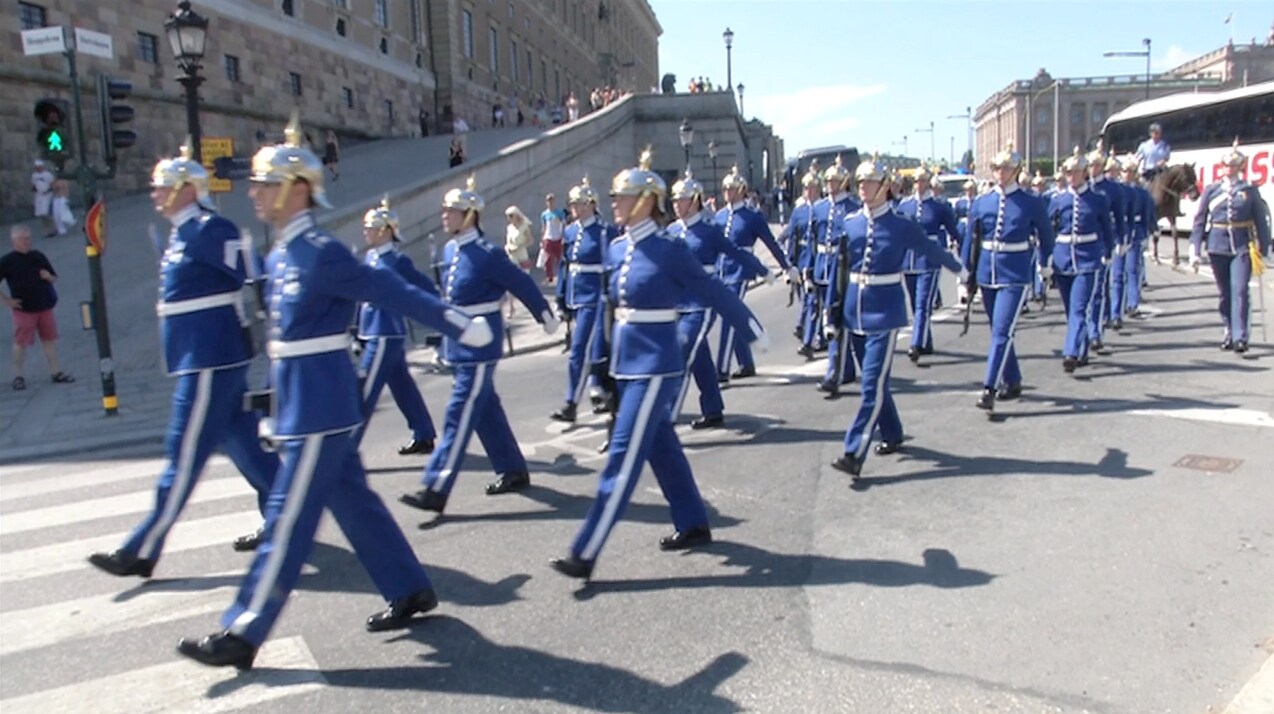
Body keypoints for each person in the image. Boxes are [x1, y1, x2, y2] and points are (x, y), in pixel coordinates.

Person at [175, 115, 494, 669]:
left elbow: (389, 289)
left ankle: (244, 629)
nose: (254, 193)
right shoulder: (279, 254)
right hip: (306, 405)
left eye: (265, 184)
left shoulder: (323, 251)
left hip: (322, 409)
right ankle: (408, 585)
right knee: (353, 500)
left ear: (297, 190)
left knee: (287, 520)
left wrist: (459, 323)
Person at [549, 148, 768, 581]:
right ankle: (692, 521)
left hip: (656, 364)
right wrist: (604, 369)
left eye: (622, 196)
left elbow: (709, 288)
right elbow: (613, 310)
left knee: (623, 457)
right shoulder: (615, 248)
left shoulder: (669, 248)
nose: (614, 203)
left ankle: (585, 551)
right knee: (662, 449)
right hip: (628, 366)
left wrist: (750, 326)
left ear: (647, 200)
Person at [87, 140, 278, 579]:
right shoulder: (184, 233)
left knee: (183, 453)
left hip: (212, 357)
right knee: (245, 443)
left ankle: (142, 547)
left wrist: (280, 336)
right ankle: (287, 515)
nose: (154, 194)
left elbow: (257, 272)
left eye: (161, 187)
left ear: (186, 190)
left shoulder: (210, 230)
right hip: (202, 357)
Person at [399, 176, 557, 516]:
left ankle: (435, 487)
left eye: (451, 211)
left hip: (482, 344)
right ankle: (512, 468)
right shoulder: (450, 249)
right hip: (459, 343)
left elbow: (521, 283)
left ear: (469, 214)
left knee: (459, 413)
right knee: (485, 409)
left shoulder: (488, 253)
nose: (444, 215)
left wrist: (545, 314)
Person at [826, 156, 965, 480]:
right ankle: (892, 432)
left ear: (885, 186)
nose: (862, 187)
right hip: (854, 311)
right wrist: (830, 313)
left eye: (869, 182)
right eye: (859, 182)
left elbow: (933, 251)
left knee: (871, 386)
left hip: (885, 312)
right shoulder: (849, 223)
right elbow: (840, 270)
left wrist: (961, 270)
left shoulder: (901, 224)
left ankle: (853, 452)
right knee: (875, 384)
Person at [667, 168, 769, 429]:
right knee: (698, 356)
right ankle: (713, 408)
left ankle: (665, 416)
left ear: (696, 201)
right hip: (676, 302)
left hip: (702, 301)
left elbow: (735, 252)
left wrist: (763, 269)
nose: (677, 205)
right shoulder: (670, 230)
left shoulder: (709, 229)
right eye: (674, 200)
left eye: (682, 200)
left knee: (683, 347)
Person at [963, 144, 1054, 413]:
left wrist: (1044, 265)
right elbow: (972, 238)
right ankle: (1012, 380)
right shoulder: (983, 201)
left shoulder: (1030, 202)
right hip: (987, 272)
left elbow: (1045, 236)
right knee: (998, 330)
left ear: (1016, 170)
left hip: (1015, 272)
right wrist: (965, 273)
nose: (1000, 173)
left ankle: (989, 387)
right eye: (996, 168)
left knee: (1002, 331)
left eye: (1005, 168)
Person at [357, 197, 442, 457]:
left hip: (385, 332)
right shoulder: (371, 256)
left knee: (363, 391)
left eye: (370, 228)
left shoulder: (397, 260)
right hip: (373, 329)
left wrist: (442, 304)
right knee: (403, 387)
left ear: (384, 231)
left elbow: (422, 285)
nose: (365, 232)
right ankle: (423, 433)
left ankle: (344, 448)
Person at [1189, 140, 1272, 353]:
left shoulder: (1249, 191)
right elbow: (1200, 220)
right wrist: (1194, 249)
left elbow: (1260, 220)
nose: (1230, 169)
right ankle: (1228, 329)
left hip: (1242, 245)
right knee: (1225, 293)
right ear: (1221, 167)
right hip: (1217, 245)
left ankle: (1241, 336)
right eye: (1227, 166)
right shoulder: (1212, 191)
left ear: (1240, 168)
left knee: (1240, 290)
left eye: (1234, 166)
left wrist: (1265, 247)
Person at [715, 165, 795, 382]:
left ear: (742, 190)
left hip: (741, 271)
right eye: (725, 189)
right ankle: (746, 363)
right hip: (722, 271)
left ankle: (721, 369)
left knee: (728, 318)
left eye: (731, 189)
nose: (727, 193)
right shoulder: (720, 216)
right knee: (733, 316)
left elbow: (771, 243)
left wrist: (786, 266)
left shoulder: (752, 216)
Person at [549, 177, 618, 423]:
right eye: (572, 204)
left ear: (591, 205)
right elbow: (566, 267)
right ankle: (590, 395)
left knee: (589, 350)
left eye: (578, 204)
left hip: (597, 298)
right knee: (584, 350)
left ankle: (578, 400)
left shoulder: (604, 231)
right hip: (578, 298)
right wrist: (561, 299)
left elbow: (612, 265)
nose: (574, 208)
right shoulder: (570, 231)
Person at [1048, 149, 1115, 373]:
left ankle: (1070, 353)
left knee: (1078, 309)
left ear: (1084, 173)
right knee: (1070, 310)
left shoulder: (1097, 199)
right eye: (1068, 172)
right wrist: (1047, 259)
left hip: (1088, 258)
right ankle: (1082, 348)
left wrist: (1108, 251)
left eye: (1075, 172)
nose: (1071, 176)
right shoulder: (1059, 200)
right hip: (1063, 258)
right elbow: (1050, 229)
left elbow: (1106, 228)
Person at [897, 164, 961, 364]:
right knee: (916, 304)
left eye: (923, 181)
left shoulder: (939, 207)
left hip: (930, 258)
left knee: (924, 303)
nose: (919, 185)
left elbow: (954, 231)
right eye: (916, 181)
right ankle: (927, 342)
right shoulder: (904, 206)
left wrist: (962, 250)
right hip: (909, 260)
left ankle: (916, 343)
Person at [1, 224, 73, 390]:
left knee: (49, 340)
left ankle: (56, 372)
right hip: (23, 308)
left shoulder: (38, 256)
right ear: (14, 241)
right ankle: (17, 376)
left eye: (28, 238)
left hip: (44, 305)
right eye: (23, 239)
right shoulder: (7, 261)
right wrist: (6, 301)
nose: (27, 242)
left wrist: (48, 277)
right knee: (20, 343)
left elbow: (53, 277)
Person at [813, 157, 862, 395]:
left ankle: (835, 371)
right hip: (823, 264)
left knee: (836, 317)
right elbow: (813, 239)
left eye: (834, 180)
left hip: (842, 267)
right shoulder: (820, 207)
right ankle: (847, 368)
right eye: (828, 180)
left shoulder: (853, 209)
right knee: (828, 316)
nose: (830, 184)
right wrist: (808, 267)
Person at [787, 167, 823, 359]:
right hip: (803, 260)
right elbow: (793, 237)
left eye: (812, 187)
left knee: (814, 301)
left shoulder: (824, 208)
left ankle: (809, 340)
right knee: (807, 300)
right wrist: (789, 264)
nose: (809, 191)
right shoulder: (799, 212)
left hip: (819, 259)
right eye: (806, 187)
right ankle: (814, 336)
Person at [1119, 155, 1157, 318]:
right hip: (1119, 234)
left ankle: (1132, 303)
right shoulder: (1117, 190)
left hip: (1135, 233)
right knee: (1117, 273)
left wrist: (1150, 231)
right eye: (1125, 171)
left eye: (1131, 171)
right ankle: (1118, 306)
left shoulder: (1142, 193)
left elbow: (1148, 214)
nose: (1128, 174)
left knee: (1132, 269)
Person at [503, 205, 534, 318]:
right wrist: (507, 248)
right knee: (509, 283)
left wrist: (519, 246)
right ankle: (511, 307)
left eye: (511, 216)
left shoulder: (524, 227)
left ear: (516, 215)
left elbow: (530, 241)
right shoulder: (509, 228)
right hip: (511, 257)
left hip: (522, 256)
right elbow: (507, 241)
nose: (509, 218)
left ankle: (531, 305)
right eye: (507, 216)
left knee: (525, 282)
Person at [540, 193, 566, 284]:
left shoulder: (559, 213)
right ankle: (549, 276)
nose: (550, 202)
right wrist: (542, 239)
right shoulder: (544, 214)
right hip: (548, 238)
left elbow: (563, 224)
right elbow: (543, 227)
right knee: (548, 259)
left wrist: (563, 236)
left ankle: (560, 276)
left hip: (557, 238)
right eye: (548, 201)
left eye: (551, 200)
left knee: (559, 258)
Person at [31, 159, 56, 238]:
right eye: (36, 167)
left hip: (47, 195)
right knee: (41, 214)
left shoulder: (47, 175)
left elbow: (52, 184)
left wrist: (48, 191)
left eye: (39, 167)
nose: (38, 169)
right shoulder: (34, 175)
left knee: (47, 213)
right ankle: (46, 231)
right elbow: (34, 185)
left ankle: (52, 229)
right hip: (39, 196)